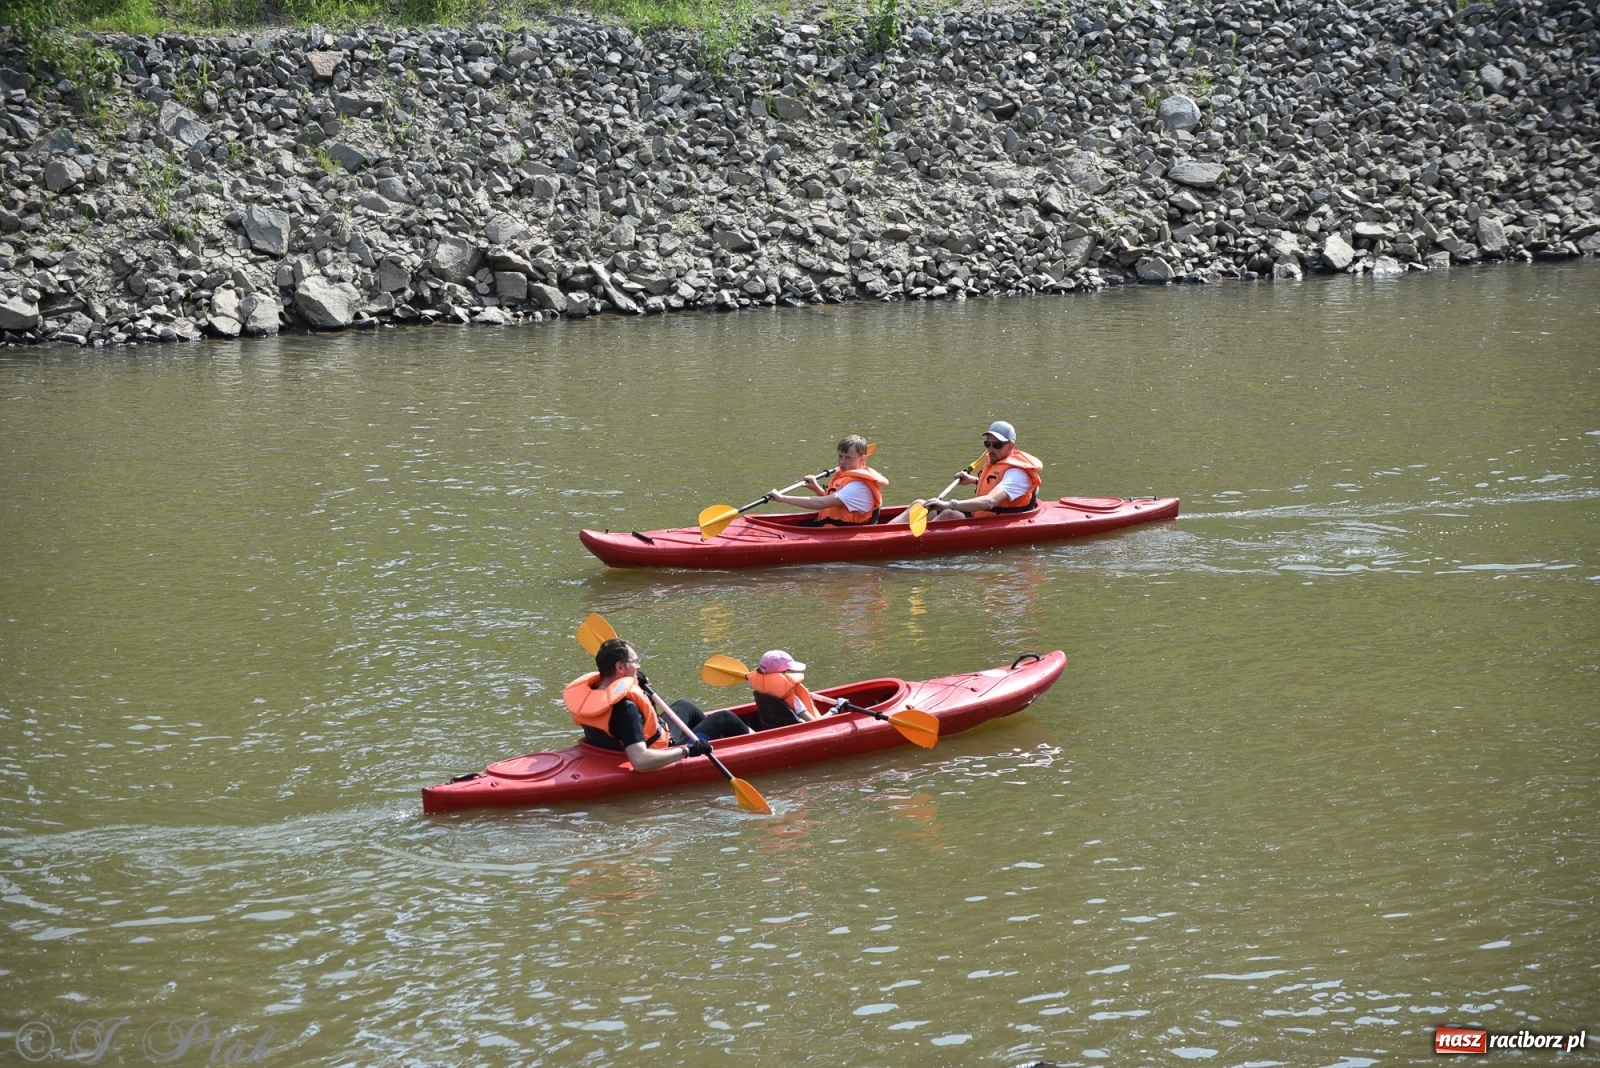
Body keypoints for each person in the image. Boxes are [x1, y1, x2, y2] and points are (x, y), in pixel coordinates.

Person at [564, 638, 751, 772]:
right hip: (657, 753)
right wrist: (687, 751)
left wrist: (637, 683)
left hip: (612, 751)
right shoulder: (626, 708)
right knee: (724, 718)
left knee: (684, 706)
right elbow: (640, 762)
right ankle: (756, 740)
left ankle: (717, 744)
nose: (638, 666)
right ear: (620, 668)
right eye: (635, 662)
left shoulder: (596, 691)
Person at [890, 420, 1042, 524]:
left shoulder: (1017, 474)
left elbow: (989, 502)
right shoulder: (998, 463)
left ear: (1011, 446)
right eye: (987, 444)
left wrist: (947, 504)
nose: (990, 450)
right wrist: (973, 480)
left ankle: (908, 542)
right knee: (920, 504)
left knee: (950, 514)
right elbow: (996, 485)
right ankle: (882, 532)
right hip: (979, 516)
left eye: (997, 445)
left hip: (995, 522)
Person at [767, 434, 889, 526]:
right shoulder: (846, 477)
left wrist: (782, 498)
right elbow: (833, 504)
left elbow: (821, 503)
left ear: (862, 459)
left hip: (843, 534)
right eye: (840, 456)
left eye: (848, 457)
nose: (842, 461)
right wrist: (816, 488)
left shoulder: (857, 487)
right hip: (829, 527)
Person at [746, 650, 846, 731]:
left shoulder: (763, 690)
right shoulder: (794, 700)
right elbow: (815, 723)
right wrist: (836, 709)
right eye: (790, 670)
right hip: (802, 733)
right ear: (785, 672)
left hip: (777, 729)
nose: (792, 672)